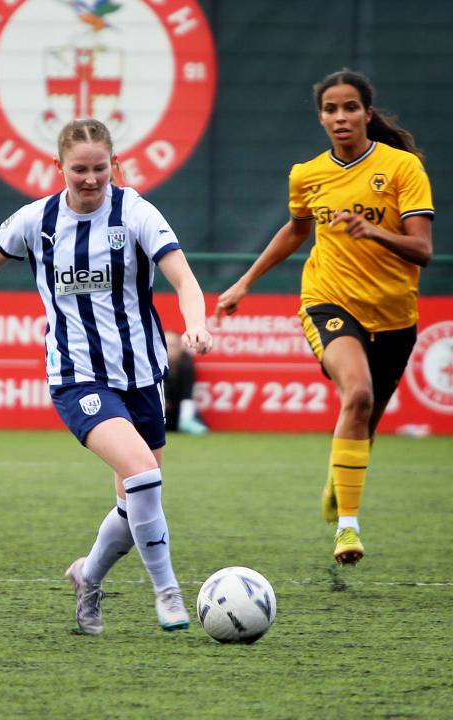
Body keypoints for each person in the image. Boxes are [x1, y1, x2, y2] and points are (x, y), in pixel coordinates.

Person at [0, 118, 213, 635]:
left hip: (143, 375)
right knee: (144, 474)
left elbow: (183, 276)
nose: (91, 179)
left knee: (135, 501)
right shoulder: (36, 221)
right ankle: (167, 591)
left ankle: (88, 578)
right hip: (78, 377)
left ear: (114, 166)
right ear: (59, 168)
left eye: (100, 168)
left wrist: (196, 323)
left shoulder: (136, 212)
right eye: (80, 170)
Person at [216, 69, 433, 565]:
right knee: (357, 394)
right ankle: (348, 530)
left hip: (396, 316)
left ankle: (339, 485)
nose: (341, 117)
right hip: (327, 301)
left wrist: (373, 232)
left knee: (365, 421)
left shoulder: (402, 169)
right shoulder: (307, 173)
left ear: (367, 114)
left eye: (350, 107)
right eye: (331, 109)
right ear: (321, 117)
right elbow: (295, 231)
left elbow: (422, 249)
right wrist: (244, 283)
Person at [163, 329, 208, 435]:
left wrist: (185, 420)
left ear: (180, 348)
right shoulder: (151, 363)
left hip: (178, 412)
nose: (168, 349)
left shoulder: (186, 365)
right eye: (165, 344)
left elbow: (187, 395)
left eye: (172, 345)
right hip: (156, 412)